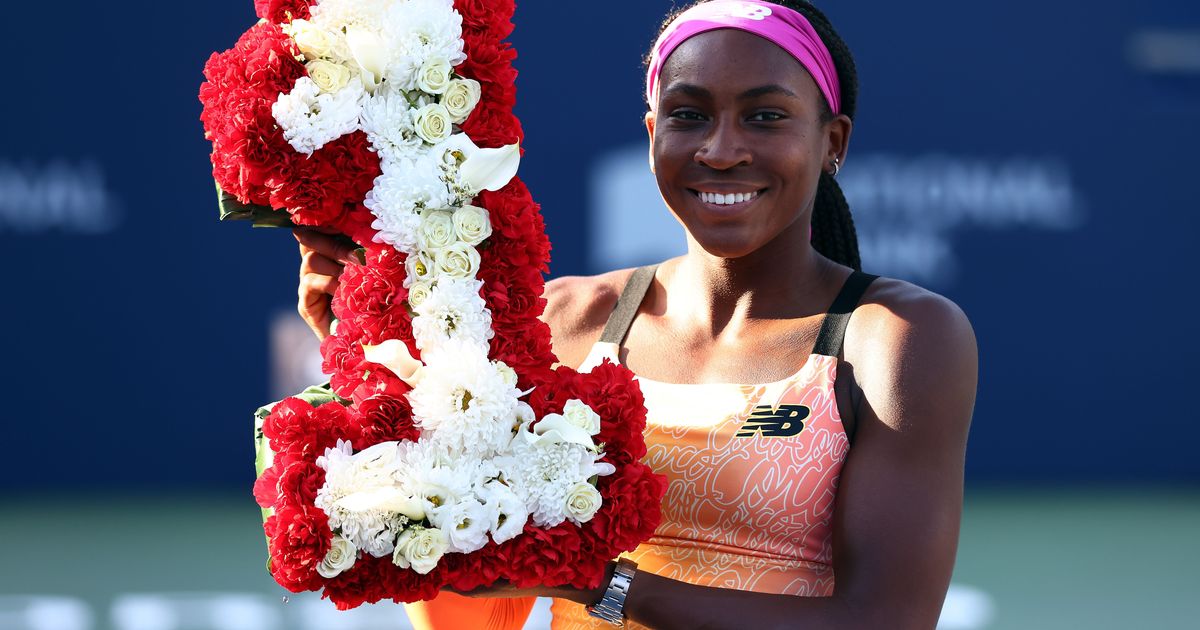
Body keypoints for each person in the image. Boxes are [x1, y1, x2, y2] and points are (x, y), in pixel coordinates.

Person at [293, 1, 977, 628]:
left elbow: (885, 622)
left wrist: (603, 588)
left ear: (834, 141)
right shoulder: (561, 318)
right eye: (689, 115)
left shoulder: (898, 338)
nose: (721, 148)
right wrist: (372, 364)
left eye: (765, 116)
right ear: (652, 134)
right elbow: (474, 584)